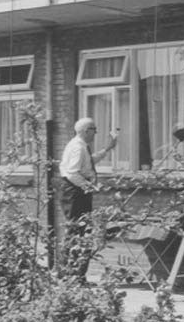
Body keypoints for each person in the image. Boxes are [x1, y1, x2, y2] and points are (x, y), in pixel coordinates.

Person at [58, 117, 118, 278]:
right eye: (94, 130)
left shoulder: (80, 146)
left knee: (79, 230)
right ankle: (69, 274)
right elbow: (72, 173)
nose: (95, 133)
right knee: (76, 230)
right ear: (86, 131)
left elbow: (88, 163)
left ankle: (73, 274)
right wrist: (89, 186)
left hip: (76, 191)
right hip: (75, 192)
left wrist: (107, 149)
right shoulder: (78, 147)